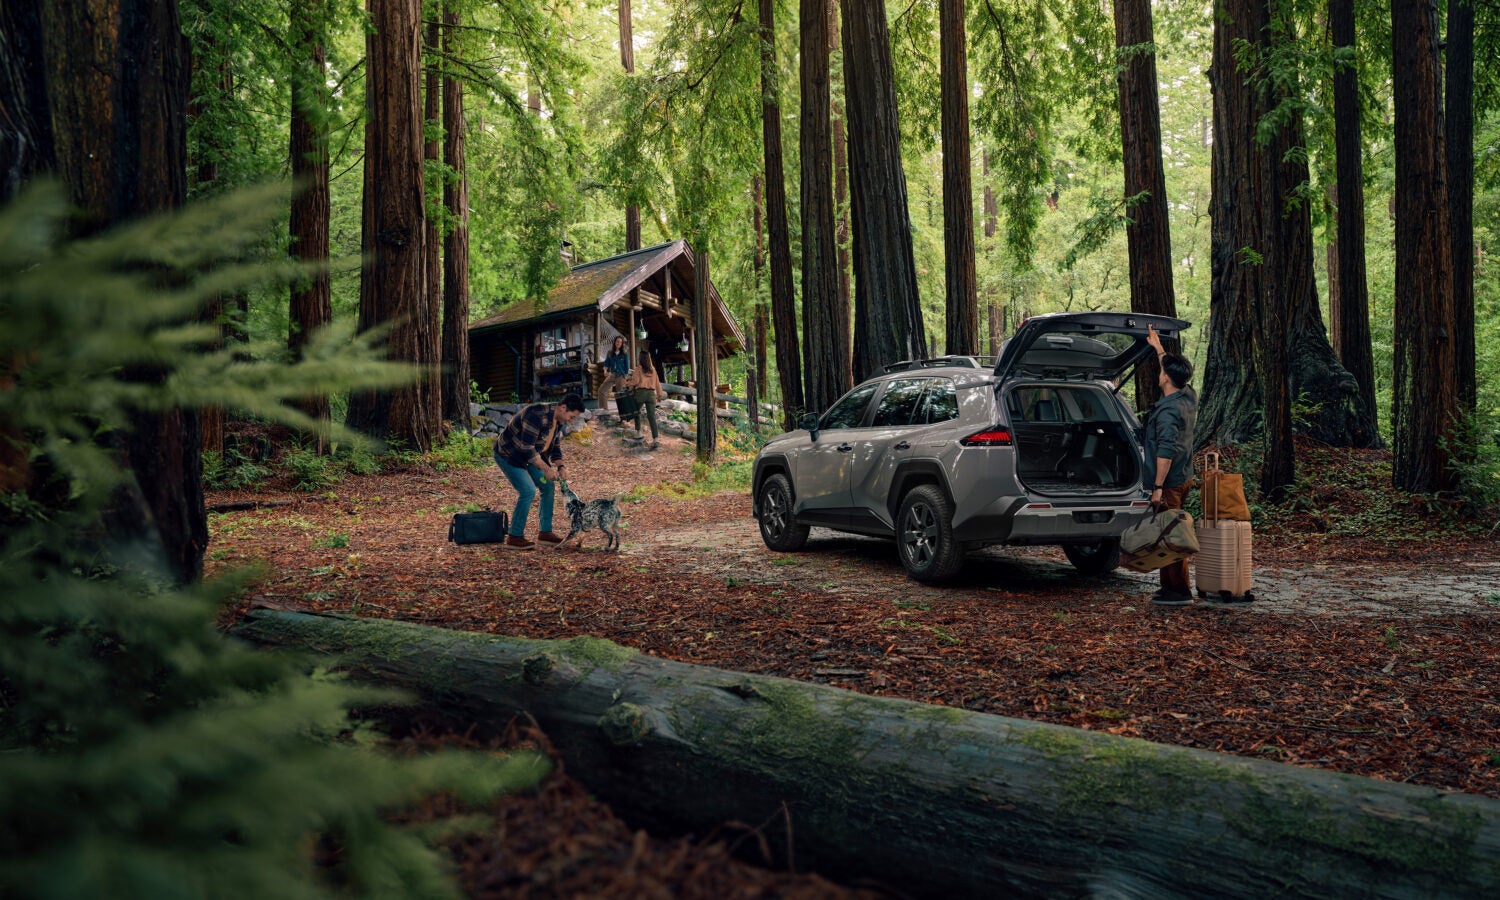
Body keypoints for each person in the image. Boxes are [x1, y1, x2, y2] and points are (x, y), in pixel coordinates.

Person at [1142, 324, 1198, 606]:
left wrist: (1158, 487)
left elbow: (1165, 451)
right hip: (1185, 475)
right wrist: (1158, 348)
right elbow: (1174, 370)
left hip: (1171, 480)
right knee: (1170, 531)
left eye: (1162, 369)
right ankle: (1170, 587)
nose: (1160, 372)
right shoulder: (1187, 395)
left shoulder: (1168, 412)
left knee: (1171, 535)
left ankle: (1179, 591)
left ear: (1165, 379)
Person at [493, 393, 586, 549]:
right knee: (528, 490)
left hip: (530, 457)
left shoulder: (558, 420)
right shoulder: (535, 415)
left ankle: (545, 533)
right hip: (509, 455)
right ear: (563, 408)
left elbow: (554, 447)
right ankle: (514, 537)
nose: (572, 420)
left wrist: (561, 466)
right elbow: (526, 448)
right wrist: (546, 468)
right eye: (572, 416)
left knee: (548, 486)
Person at [624, 349, 666, 448]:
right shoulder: (653, 370)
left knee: (636, 412)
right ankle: (656, 439)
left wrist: (627, 383)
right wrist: (659, 395)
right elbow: (657, 384)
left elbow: (635, 381)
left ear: (641, 358)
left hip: (640, 394)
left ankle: (638, 433)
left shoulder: (638, 369)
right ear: (648, 359)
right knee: (651, 417)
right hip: (651, 395)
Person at [598, 335, 631, 411]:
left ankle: (624, 413)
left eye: (620, 342)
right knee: (601, 390)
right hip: (612, 374)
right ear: (614, 342)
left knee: (621, 394)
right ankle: (603, 410)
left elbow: (627, 367)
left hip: (621, 375)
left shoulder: (624, 353)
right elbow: (606, 363)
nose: (619, 343)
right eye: (617, 341)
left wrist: (625, 377)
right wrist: (605, 371)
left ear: (622, 344)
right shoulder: (610, 352)